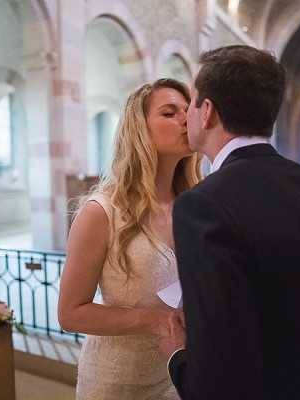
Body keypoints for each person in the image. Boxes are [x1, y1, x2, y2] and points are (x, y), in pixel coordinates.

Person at [159, 45, 300, 400]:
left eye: (190, 103)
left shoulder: (203, 206)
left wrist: (176, 355)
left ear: (206, 112)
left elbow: (216, 384)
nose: (186, 115)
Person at [58, 78, 202, 399]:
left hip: (177, 376)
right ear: (140, 129)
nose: (184, 119)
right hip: (116, 382)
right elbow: (70, 313)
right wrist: (156, 321)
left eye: (186, 111)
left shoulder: (195, 206)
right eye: (169, 113)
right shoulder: (102, 212)